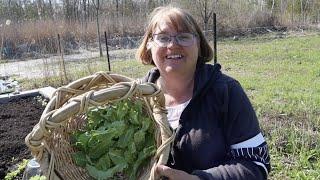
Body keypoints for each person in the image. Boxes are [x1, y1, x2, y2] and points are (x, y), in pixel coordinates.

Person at [136, 5, 271, 180]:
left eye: (184, 37)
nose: (173, 45)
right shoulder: (135, 98)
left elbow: (256, 163)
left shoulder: (225, 91)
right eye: (163, 38)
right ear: (149, 45)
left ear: (198, 44)